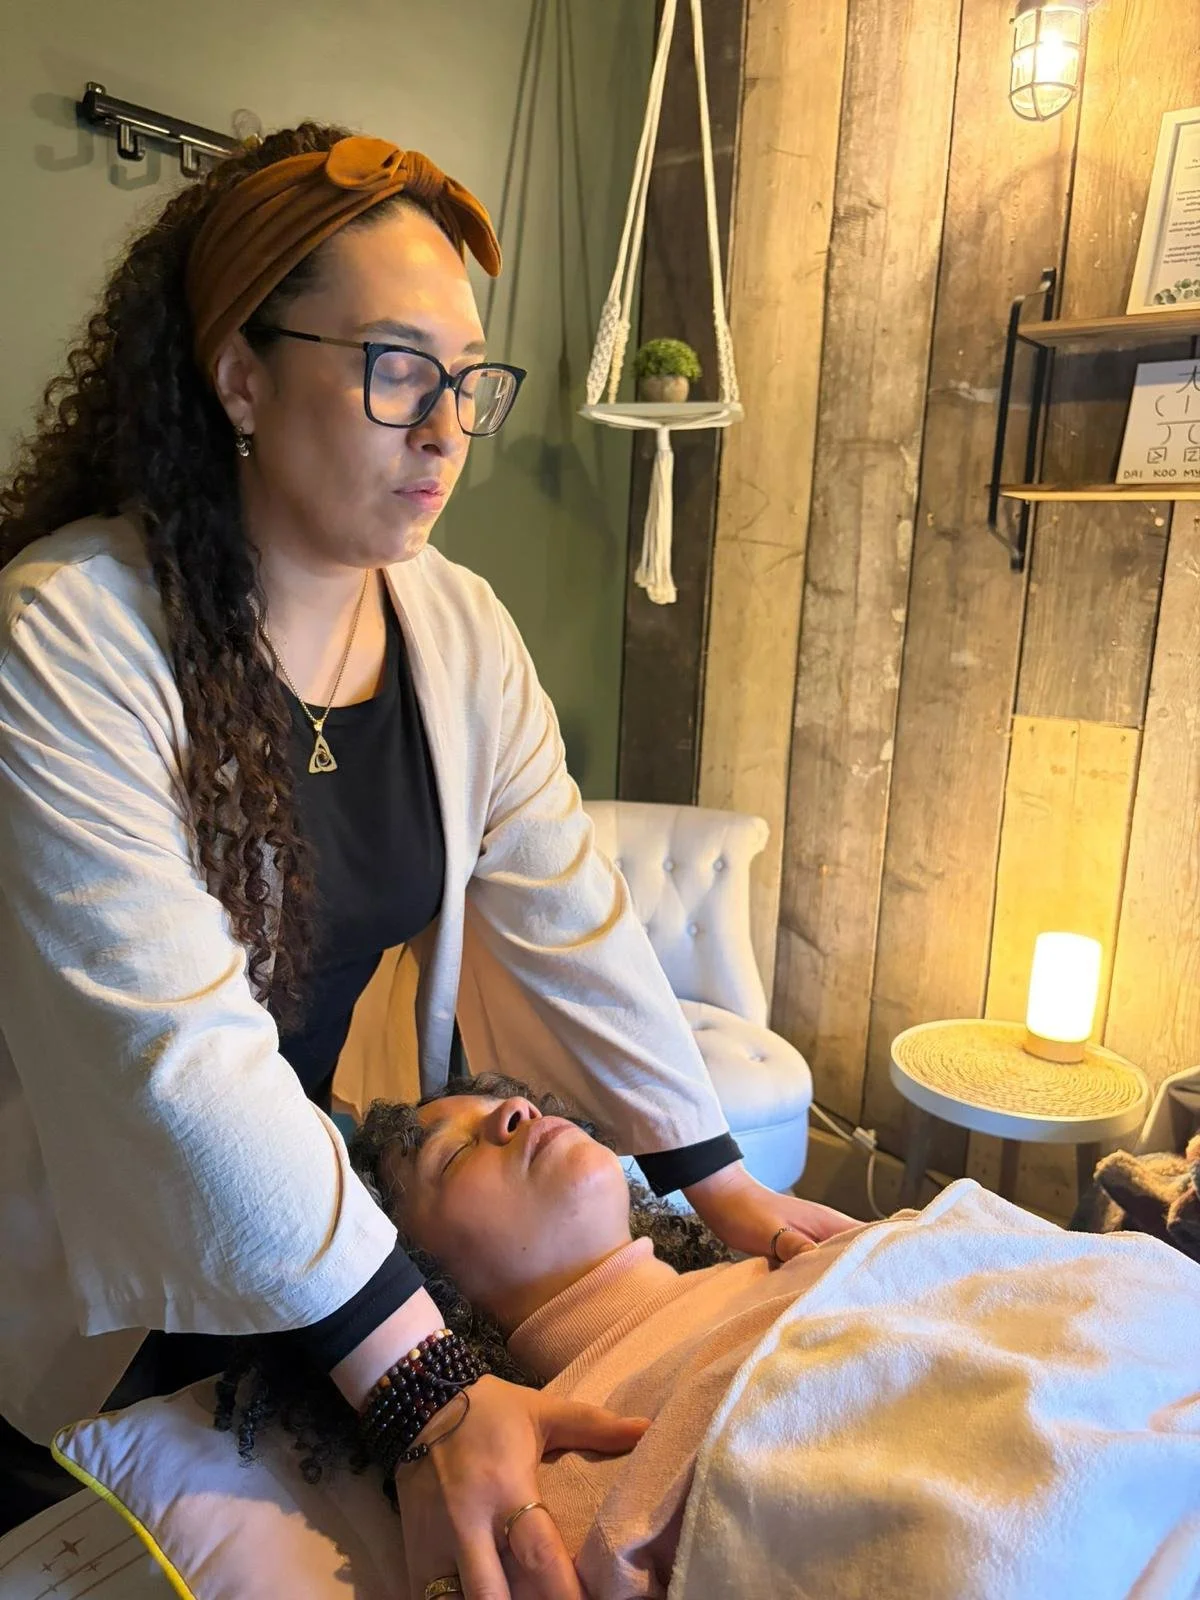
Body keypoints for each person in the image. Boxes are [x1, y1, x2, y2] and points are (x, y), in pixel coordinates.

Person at [0, 120, 853, 1591]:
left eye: (467, 379)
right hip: (98, 1225)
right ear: (241, 375)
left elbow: (566, 912)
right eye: (398, 368)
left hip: (302, 1215)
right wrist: (423, 1386)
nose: (447, 427)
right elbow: (179, 1061)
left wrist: (722, 1188)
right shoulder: (72, 634)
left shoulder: (452, 624)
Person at [223, 1074, 1200, 1600]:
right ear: (421, 1284)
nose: (515, 1110)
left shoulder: (797, 1252)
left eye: (505, 1102)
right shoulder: (544, 1477)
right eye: (455, 1150)